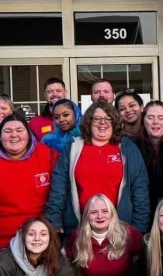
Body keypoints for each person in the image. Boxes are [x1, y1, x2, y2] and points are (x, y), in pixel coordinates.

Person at [46, 101, 149, 235]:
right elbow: (59, 186)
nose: (103, 122)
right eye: (97, 119)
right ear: (88, 121)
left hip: (119, 229)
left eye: (108, 118)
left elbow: (140, 190)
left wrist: (139, 227)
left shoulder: (127, 148)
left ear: (114, 122)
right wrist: (54, 219)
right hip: (80, 228)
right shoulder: (73, 147)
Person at [0, 113, 57, 252]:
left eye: (20, 130)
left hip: (41, 237)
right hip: (2, 238)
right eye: (7, 131)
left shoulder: (48, 155)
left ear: (29, 135)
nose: (14, 135)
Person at [137, 101, 163, 215]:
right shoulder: (134, 147)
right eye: (150, 117)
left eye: (160, 117)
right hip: (145, 210)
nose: (155, 122)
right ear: (143, 120)